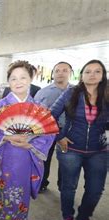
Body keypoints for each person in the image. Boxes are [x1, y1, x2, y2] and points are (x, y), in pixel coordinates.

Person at [0, 60, 54, 220]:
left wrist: (29, 142)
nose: (18, 81)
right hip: (4, 157)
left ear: (31, 78)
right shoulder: (0, 107)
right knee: (2, 193)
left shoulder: (38, 107)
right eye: (13, 78)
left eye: (23, 77)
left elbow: (48, 132)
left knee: (20, 196)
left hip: (25, 158)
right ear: (8, 82)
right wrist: (6, 137)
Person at [50, 59, 108, 220]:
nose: (92, 74)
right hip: (71, 148)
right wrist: (59, 137)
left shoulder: (107, 94)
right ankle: (68, 216)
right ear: (81, 75)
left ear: (103, 75)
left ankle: (84, 216)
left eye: (97, 71)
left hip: (98, 150)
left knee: (95, 189)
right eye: (88, 71)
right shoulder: (71, 93)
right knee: (69, 186)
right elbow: (50, 115)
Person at [34, 61, 73, 192]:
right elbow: (35, 114)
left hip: (69, 131)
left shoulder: (77, 92)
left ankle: (63, 186)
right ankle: (41, 183)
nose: (60, 73)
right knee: (44, 158)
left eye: (65, 70)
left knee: (67, 161)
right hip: (47, 131)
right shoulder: (42, 92)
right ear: (52, 74)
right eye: (57, 71)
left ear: (70, 73)